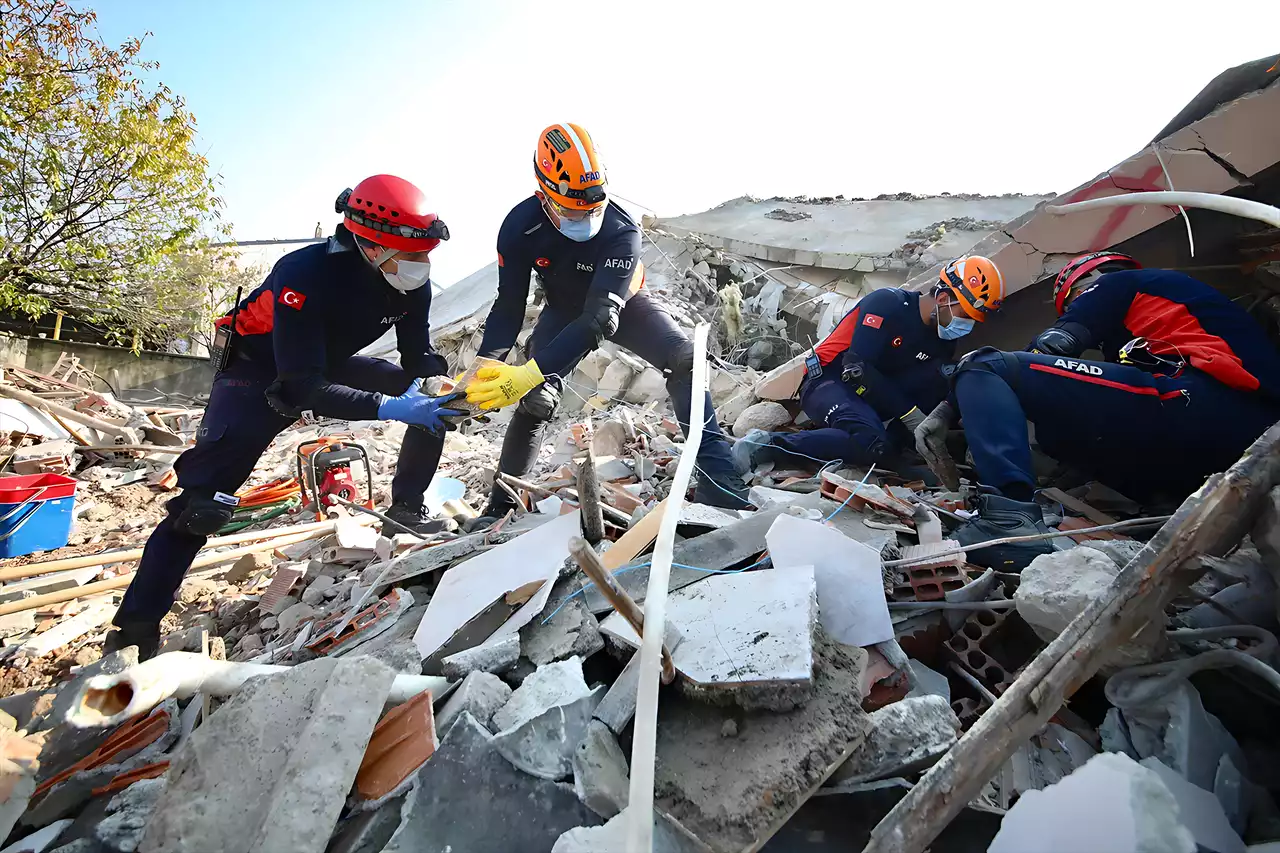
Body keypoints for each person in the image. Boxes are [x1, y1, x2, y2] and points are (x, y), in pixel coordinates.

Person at [104, 175, 465, 658]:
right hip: (259, 368)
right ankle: (134, 630)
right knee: (200, 508)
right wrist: (388, 408)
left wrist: (432, 382)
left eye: (426, 255)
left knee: (433, 404)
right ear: (372, 246)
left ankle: (406, 508)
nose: (422, 266)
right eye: (413, 254)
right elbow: (301, 385)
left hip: (324, 360)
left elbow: (417, 354)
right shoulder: (304, 272)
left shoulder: (408, 283)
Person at [919, 253, 1280, 570]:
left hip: (1209, 398)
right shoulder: (1170, 318)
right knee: (1057, 432)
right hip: (1241, 437)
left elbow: (1048, 348)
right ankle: (1160, 503)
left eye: (1073, 304)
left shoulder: (1122, 284)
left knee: (985, 364)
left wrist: (953, 404)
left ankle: (1009, 520)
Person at [464, 122, 750, 513]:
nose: (586, 219)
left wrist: (529, 370)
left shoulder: (620, 230)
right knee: (537, 399)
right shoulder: (520, 228)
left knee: (685, 360)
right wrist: (487, 364)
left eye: (593, 208)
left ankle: (722, 488)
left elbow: (601, 319)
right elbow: (509, 304)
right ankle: (500, 509)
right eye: (571, 210)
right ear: (543, 195)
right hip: (564, 310)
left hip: (622, 304)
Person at [733, 256, 1005, 479]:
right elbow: (856, 369)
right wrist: (910, 415)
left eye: (974, 320)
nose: (967, 325)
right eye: (965, 315)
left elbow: (929, 386)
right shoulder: (888, 304)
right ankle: (765, 445)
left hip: (872, 397)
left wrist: (935, 423)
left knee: (941, 378)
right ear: (944, 297)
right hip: (828, 381)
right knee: (870, 440)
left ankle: (895, 451)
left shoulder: (943, 341)